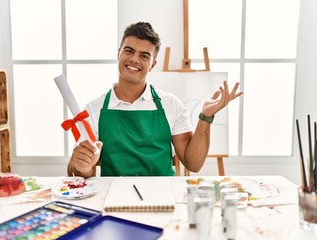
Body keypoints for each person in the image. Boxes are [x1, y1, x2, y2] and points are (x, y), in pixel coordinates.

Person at [67, 22, 242, 177]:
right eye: (129, 51)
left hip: (164, 198)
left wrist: (206, 116)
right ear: (118, 54)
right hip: (112, 198)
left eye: (144, 56)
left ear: (152, 64)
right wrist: (81, 164)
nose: (134, 59)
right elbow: (78, 173)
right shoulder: (94, 109)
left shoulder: (170, 104)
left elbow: (193, 163)